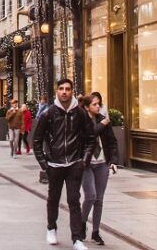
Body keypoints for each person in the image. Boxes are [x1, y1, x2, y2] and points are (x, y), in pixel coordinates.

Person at [32, 78, 96, 249]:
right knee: (53, 199)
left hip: (74, 164)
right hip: (54, 165)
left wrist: (84, 161)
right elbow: (36, 140)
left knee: (74, 200)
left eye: (68, 89)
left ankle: (77, 239)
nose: (64, 92)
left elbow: (91, 139)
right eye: (61, 89)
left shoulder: (80, 113)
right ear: (57, 92)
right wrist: (45, 165)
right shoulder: (49, 113)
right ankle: (51, 228)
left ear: (72, 91)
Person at [81, 92, 119, 246]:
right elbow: (88, 135)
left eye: (99, 104)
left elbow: (112, 143)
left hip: (102, 164)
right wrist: (102, 124)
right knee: (90, 196)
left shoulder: (104, 121)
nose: (98, 107)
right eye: (94, 104)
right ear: (86, 107)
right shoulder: (81, 121)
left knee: (99, 199)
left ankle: (95, 232)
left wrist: (114, 161)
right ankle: (82, 223)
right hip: (86, 164)